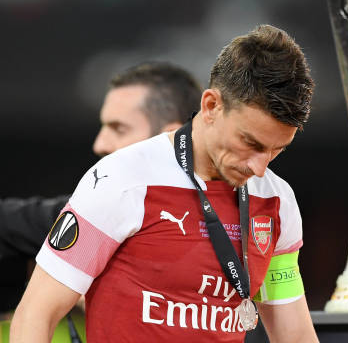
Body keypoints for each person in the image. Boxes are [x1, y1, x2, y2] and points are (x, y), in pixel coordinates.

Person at [11, 24, 319, 342]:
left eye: (276, 151)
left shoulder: (276, 200)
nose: (259, 167)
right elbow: (35, 315)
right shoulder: (121, 180)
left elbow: (294, 335)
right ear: (212, 106)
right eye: (250, 143)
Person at [0, 61, 203, 318]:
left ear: (170, 137)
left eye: (118, 128)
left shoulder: (245, 217)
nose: (100, 144)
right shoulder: (93, 214)